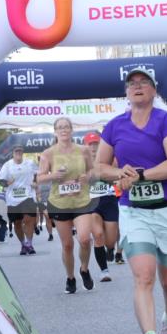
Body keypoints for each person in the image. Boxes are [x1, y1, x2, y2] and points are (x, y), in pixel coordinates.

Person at [96, 67, 167, 334]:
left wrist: (139, 175)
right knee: (144, 276)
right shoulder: (114, 127)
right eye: (132, 84)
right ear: (126, 92)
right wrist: (117, 173)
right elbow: (101, 167)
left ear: (154, 90)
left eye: (143, 83)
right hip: (134, 212)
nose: (137, 87)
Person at [37, 117, 96, 294]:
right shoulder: (48, 153)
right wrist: (53, 176)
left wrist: (88, 176)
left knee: (85, 239)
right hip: (59, 203)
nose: (63, 130)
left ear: (72, 130)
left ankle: (84, 269)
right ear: (55, 131)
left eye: (66, 127)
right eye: (60, 128)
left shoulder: (84, 150)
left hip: (81, 201)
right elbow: (39, 178)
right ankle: (70, 277)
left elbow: (92, 170)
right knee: (67, 245)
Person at [84, 132, 118, 282]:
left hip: (109, 200)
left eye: (96, 144)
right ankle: (104, 271)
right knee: (98, 235)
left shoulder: (109, 160)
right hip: (91, 203)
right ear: (85, 146)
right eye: (90, 144)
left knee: (110, 241)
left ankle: (110, 249)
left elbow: (118, 174)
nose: (93, 147)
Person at [0, 146, 39, 254]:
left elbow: (37, 174)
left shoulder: (29, 163)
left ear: (23, 152)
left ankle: (29, 243)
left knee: (28, 220)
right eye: (16, 151)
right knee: (17, 223)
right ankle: (23, 244)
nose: (19, 153)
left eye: (20, 151)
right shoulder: (7, 165)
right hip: (12, 199)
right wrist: (7, 183)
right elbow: (0, 180)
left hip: (27, 195)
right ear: (13, 153)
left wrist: (35, 182)